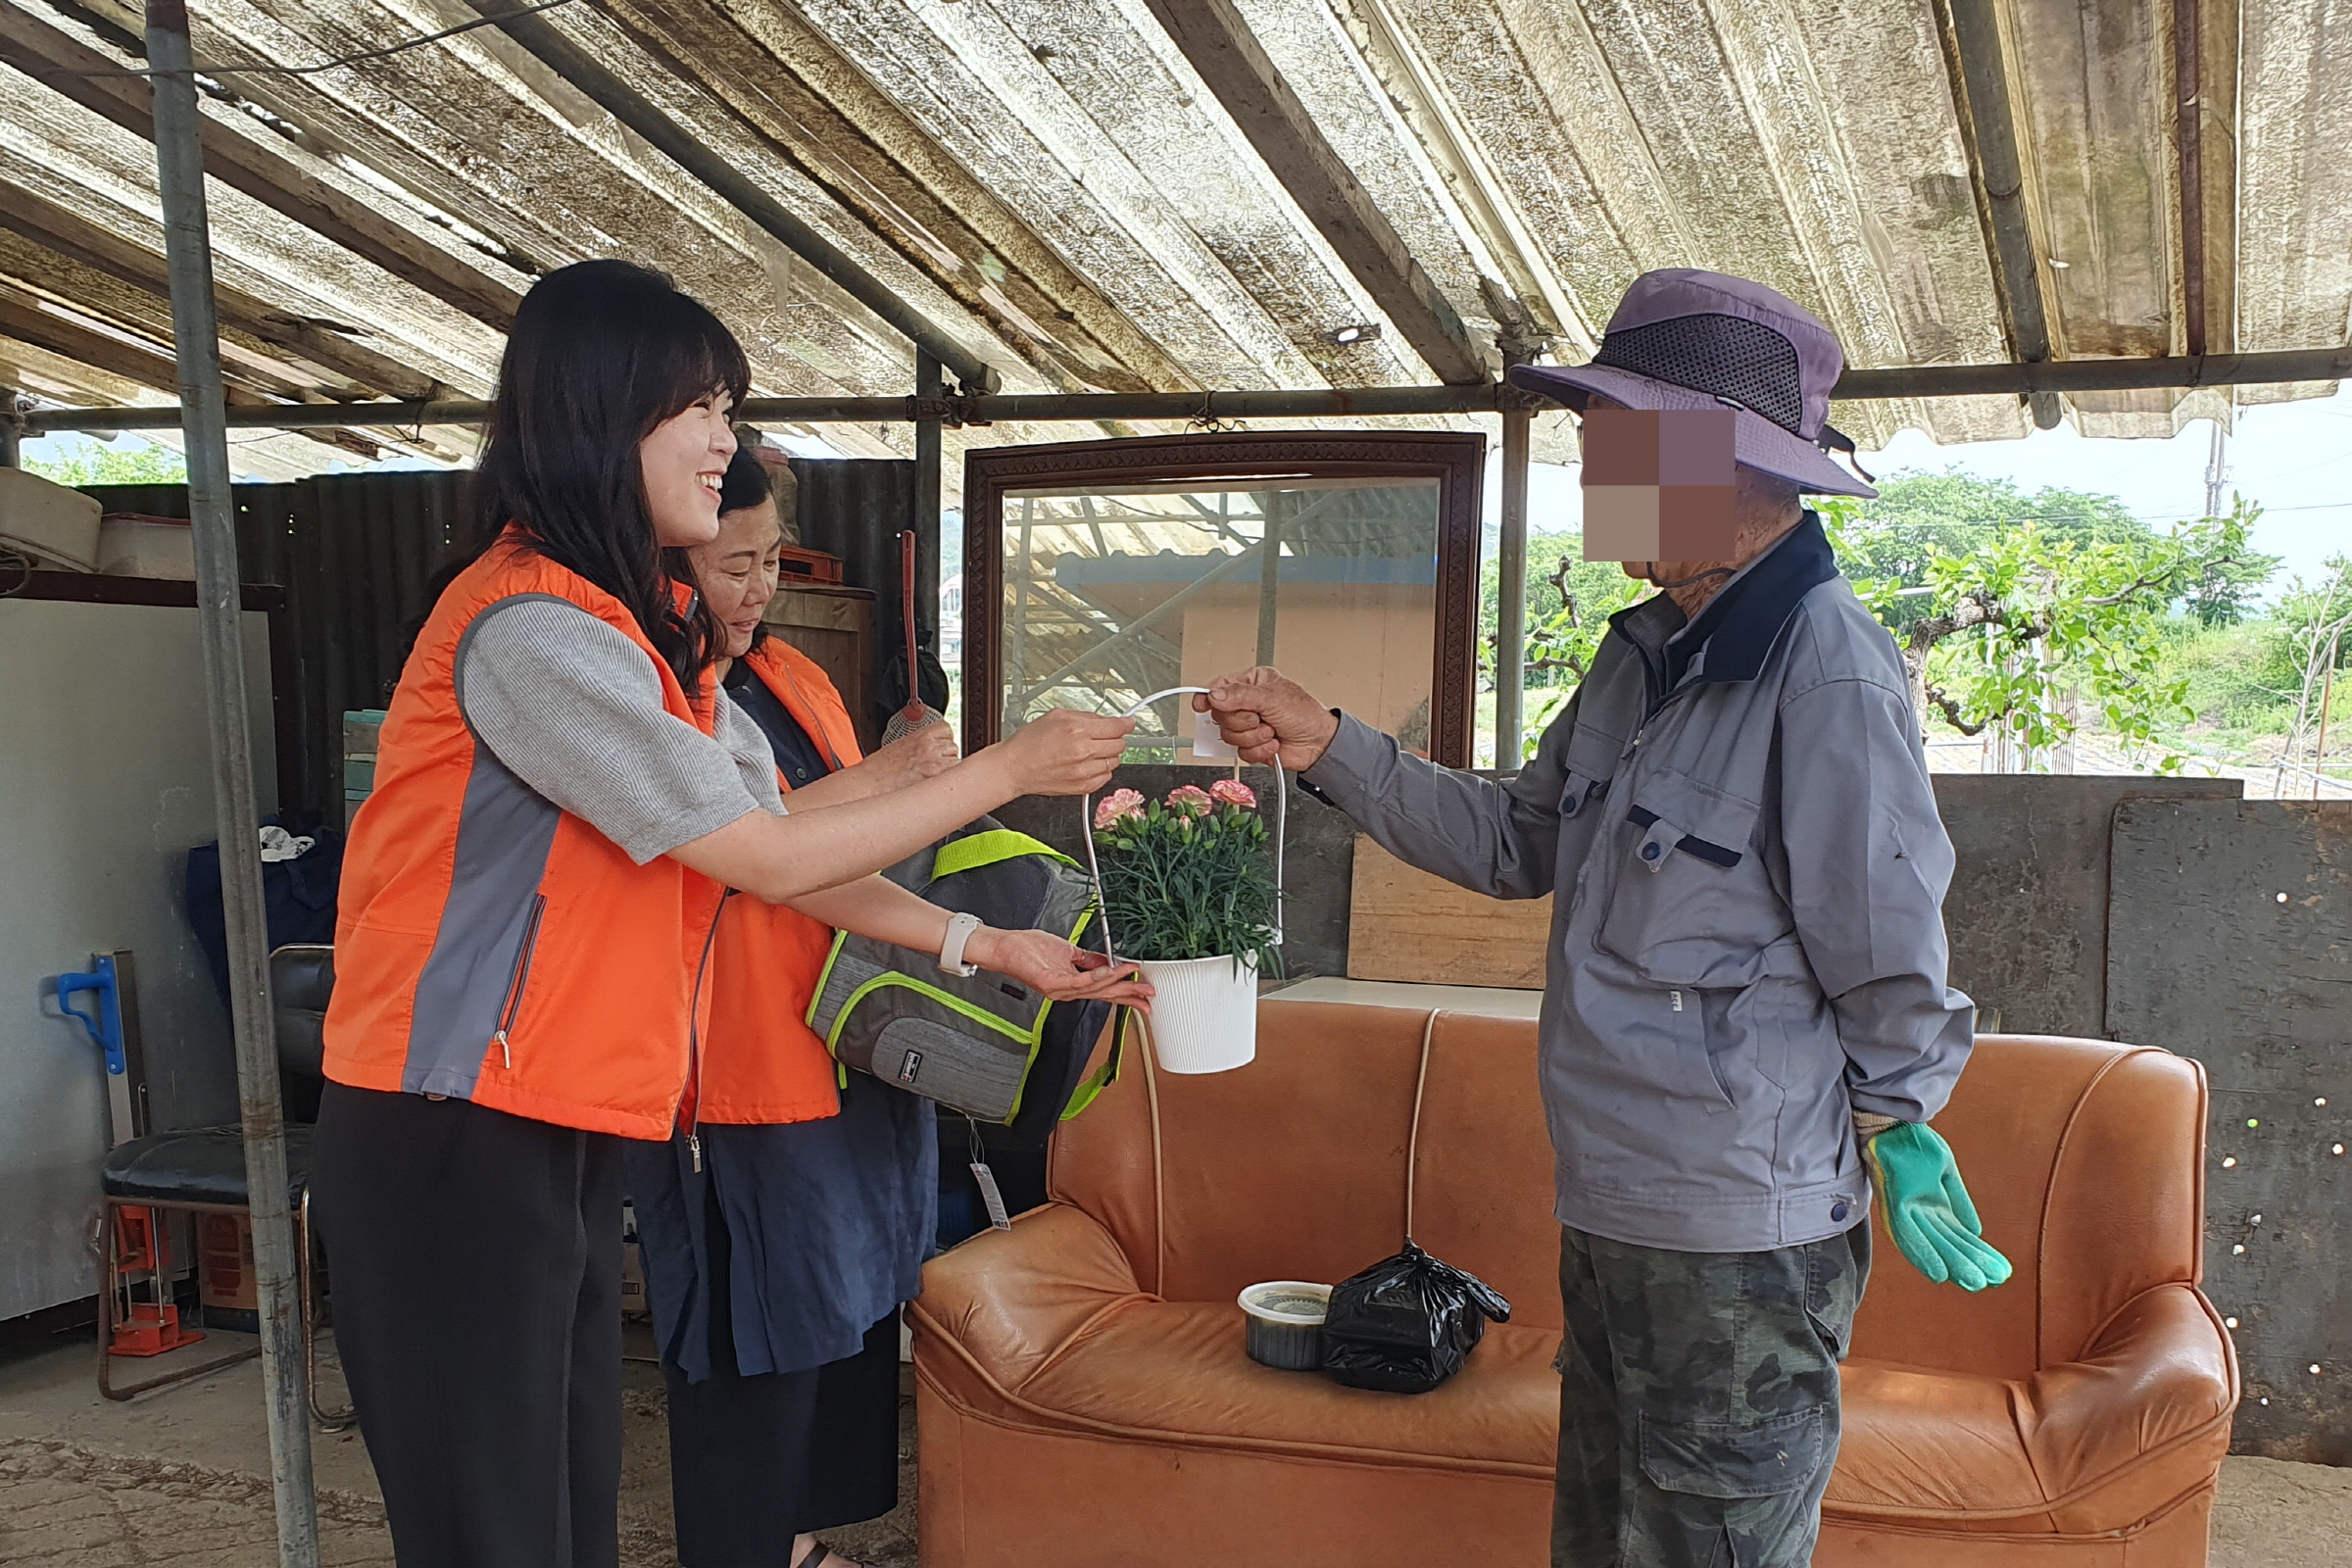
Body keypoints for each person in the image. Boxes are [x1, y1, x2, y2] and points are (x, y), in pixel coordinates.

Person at [312, 258, 1144, 1568]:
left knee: (566, 1521)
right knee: (495, 1534)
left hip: (561, 1128)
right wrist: (1005, 770)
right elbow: (756, 853)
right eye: (696, 407)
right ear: (597, 415)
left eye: (728, 407)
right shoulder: (526, 628)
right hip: (449, 1131)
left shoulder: (641, 639)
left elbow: (794, 850)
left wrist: (986, 943)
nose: (725, 441)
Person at [1198, 270, 2011, 1568]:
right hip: (1616, 1198)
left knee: (1711, 1545)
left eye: (1623, 441)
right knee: (1607, 1536)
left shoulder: (1825, 670)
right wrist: (1328, 744)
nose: (1593, 467)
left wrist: (1900, 1119)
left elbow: (1886, 941)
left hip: (1741, 1230)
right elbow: (1521, 839)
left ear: (1738, 467)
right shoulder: (1642, 653)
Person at [631, 445, 959, 1568]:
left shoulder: (795, 677)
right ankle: (744, 1547)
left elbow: (835, 852)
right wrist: (930, 777)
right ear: (668, 564)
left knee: (842, 1316)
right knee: (751, 1340)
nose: (758, 586)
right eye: (733, 565)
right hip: (734, 1074)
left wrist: (964, 924)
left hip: (844, 1039)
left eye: (771, 560)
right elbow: (748, 847)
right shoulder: (653, 693)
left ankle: (799, 1540)